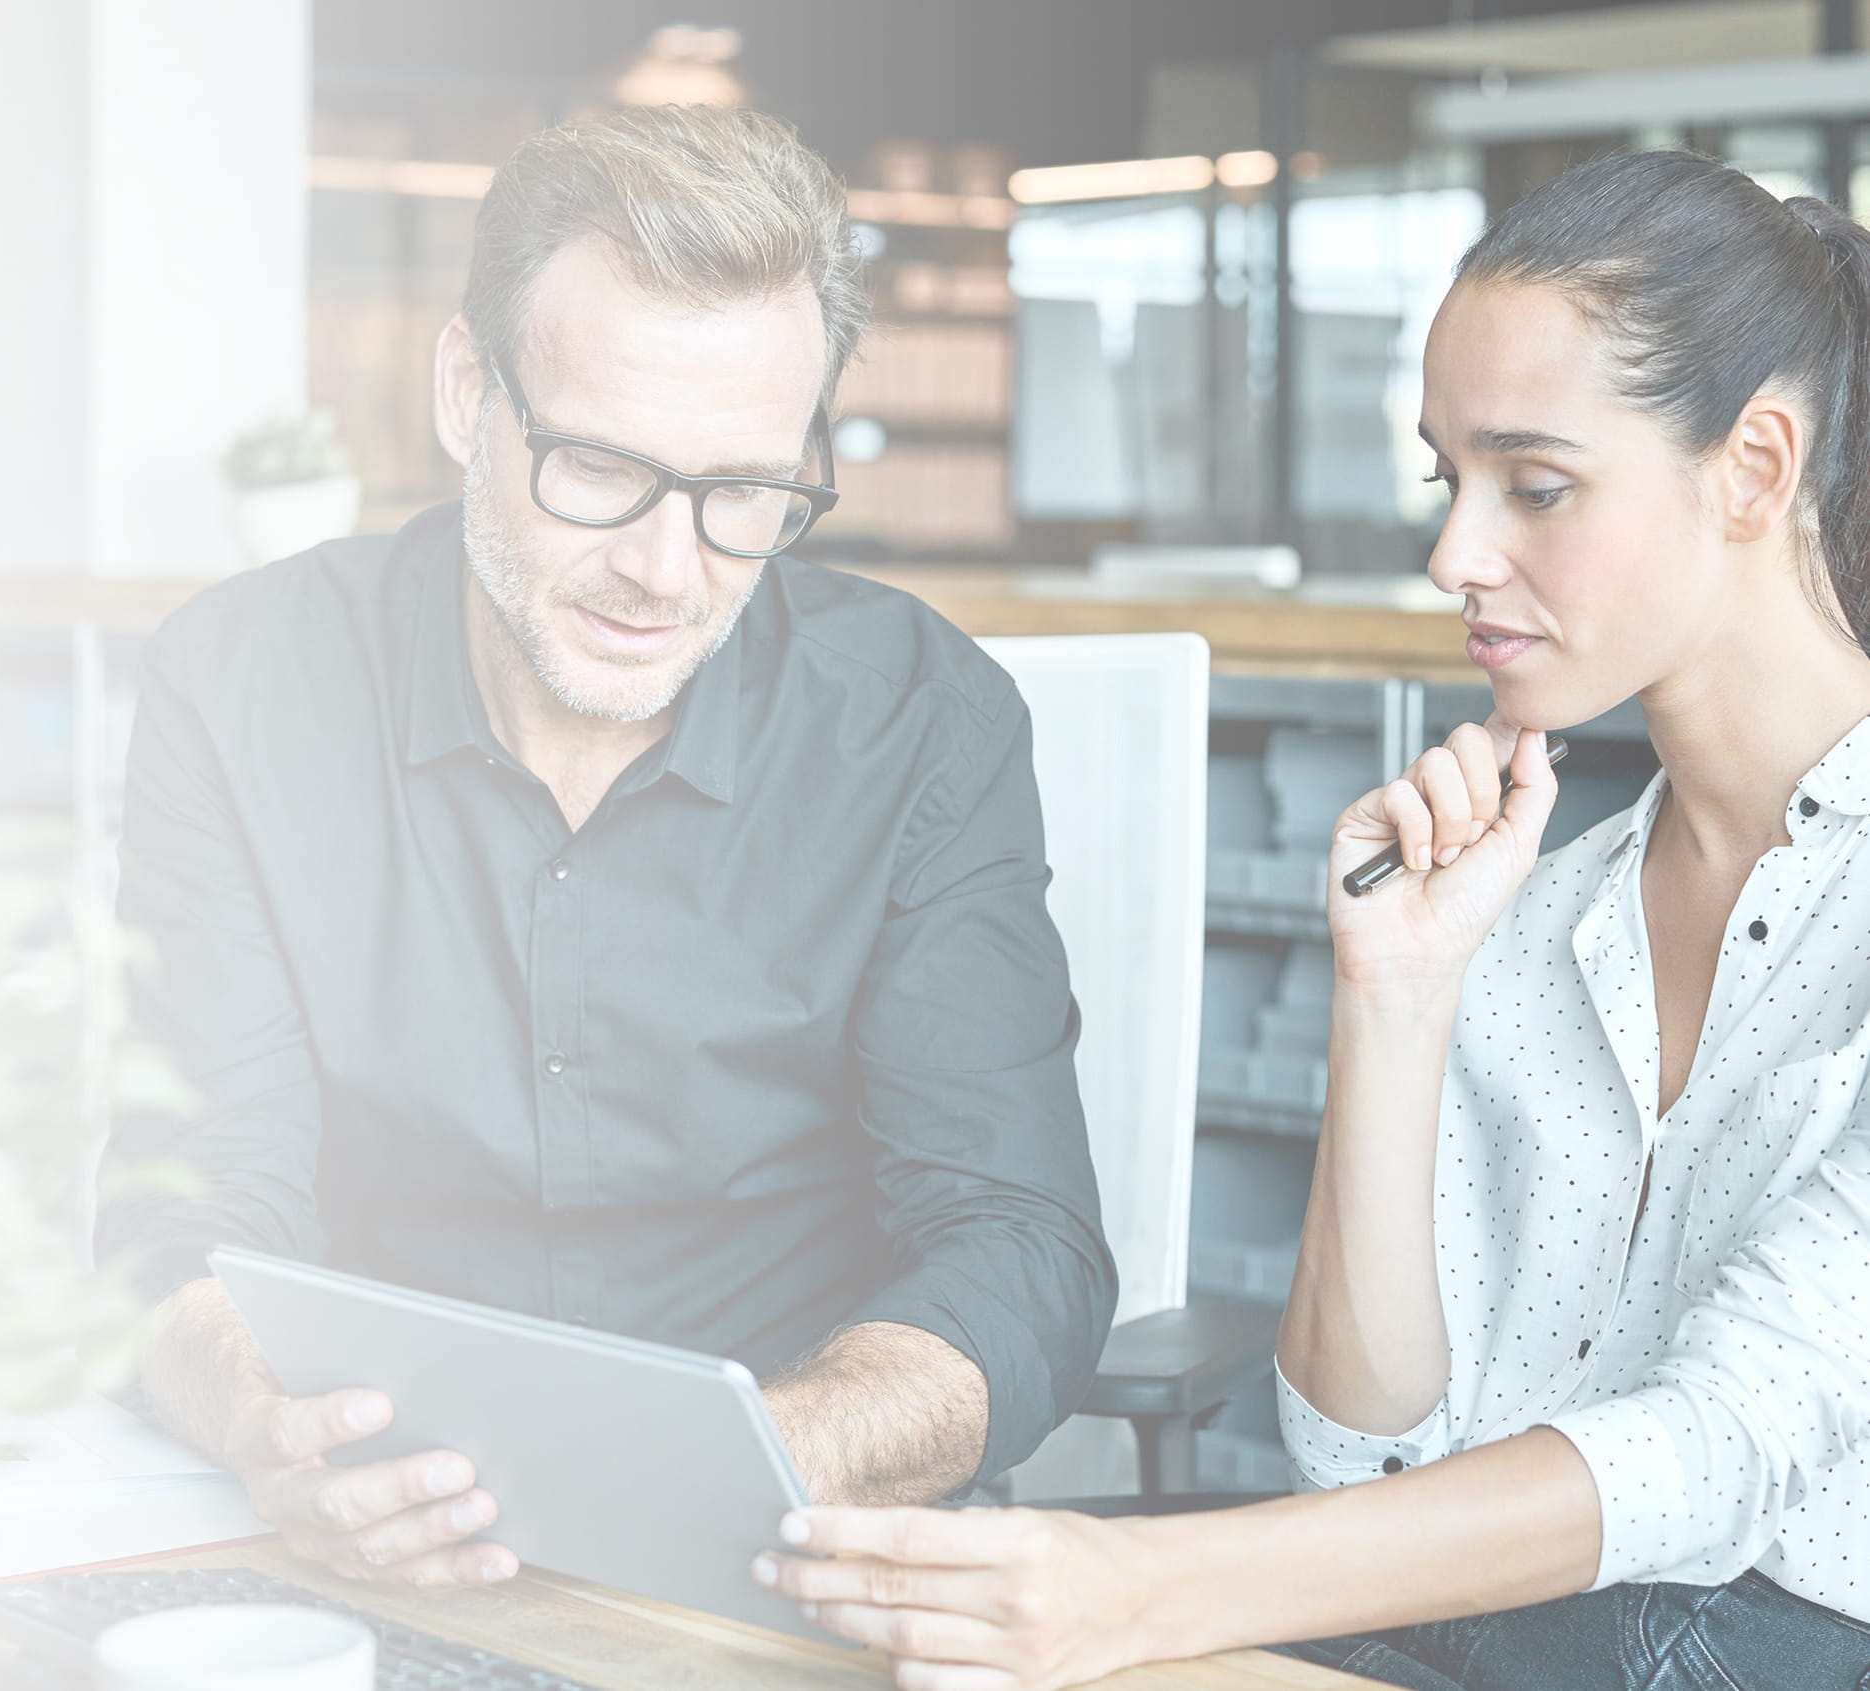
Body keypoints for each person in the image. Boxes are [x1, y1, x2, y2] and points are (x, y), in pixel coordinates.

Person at [755, 149, 1870, 1690]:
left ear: (1754, 468)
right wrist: (1396, 1000)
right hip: (1500, 1634)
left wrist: (1143, 1584)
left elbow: (1727, 1448)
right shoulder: (1548, 915)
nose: (1454, 557)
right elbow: (1359, 1456)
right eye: (1449, 481)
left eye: (1535, 487)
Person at [95, 103, 1116, 1590]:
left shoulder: (921, 724)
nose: (663, 570)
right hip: (367, 1532)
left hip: (787, 1548)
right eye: (597, 469)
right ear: (466, 392)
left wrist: (747, 1462)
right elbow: (185, 1201)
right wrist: (266, 1425)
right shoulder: (239, 685)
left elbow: (1020, 1253)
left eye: (743, 494)